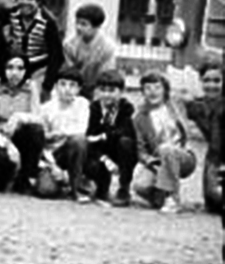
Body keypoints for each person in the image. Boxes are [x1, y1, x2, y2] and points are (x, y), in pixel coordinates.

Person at [132, 71, 197, 214]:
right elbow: (140, 150)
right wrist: (151, 163)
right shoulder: (139, 118)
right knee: (140, 186)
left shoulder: (175, 105)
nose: (152, 92)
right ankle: (162, 199)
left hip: (183, 156)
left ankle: (173, 198)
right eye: (148, 88)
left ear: (165, 90)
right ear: (142, 92)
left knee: (166, 149)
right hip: (159, 160)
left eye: (157, 87)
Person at [0, 52, 44, 193]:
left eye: (20, 68)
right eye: (10, 67)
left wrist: (19, 116)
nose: (15, 73)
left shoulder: (31, 87)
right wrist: (8, 145)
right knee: (2, 162)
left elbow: (38, 118)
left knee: (36, 131)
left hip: (20, 134)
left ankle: (27, 178)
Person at [84, 70, 137, 206]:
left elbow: (125, 130)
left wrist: (104, 135)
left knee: (126, 143)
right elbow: (90, 136)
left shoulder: (126, 108)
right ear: (97, 91)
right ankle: (100, 187)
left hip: (117, 149)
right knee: (90, 156)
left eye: (112, 90)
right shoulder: (93, 108)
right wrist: (104, 158)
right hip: (98, 151)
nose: (107, 94)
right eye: (103, 90)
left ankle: (124, 188)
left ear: (121, 92)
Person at [39, 67, 91, 202]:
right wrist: (53, 166)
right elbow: (42, 144)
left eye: (72, 85)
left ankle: (76, 188)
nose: (67, 89)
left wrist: (60, 133)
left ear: (79, 89)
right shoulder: (46, 109)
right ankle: (61, 181)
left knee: (79, 140)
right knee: (46, 190)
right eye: (63, 84)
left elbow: (81, 130)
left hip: (73, 150)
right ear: (56, 86)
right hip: (53, 155)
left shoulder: (82, 104)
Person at [7, 0, 64, 99]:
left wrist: (47, 85)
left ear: (39, 1)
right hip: (16, 65)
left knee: (34, 97)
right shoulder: (11, 15)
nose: (25, 2)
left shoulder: (48, 22)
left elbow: (56, 56)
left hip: (39, 68)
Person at [184, 59, 222, 213]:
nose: (211, 85)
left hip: (221, 154)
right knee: (212, 203)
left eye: (217, 80)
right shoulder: (196, 106)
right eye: (206, 80)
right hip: (213, 157)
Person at [63, 3, 118, 100]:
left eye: (84, 24)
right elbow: (68, 73)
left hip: (97, 89)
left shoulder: (107, 47)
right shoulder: (69, 44)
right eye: (77, 23)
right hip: (74, 87)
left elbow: (106, 76)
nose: (78, 27)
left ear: (97, 27)